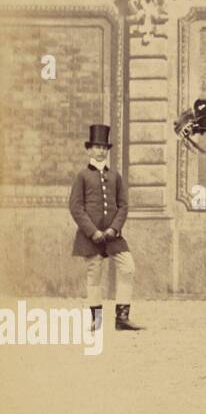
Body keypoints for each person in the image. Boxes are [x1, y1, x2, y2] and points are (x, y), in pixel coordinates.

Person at [69, 124, 143, 331]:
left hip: (113, 235)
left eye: (104, 147)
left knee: (128, 268)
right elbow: (75, 207)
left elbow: (123, 205)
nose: (101, 150)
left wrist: (114, 228)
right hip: (90, 236)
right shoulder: (82, 176)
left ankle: (122, 318)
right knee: (94, 274)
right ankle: (97, 320)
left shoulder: (115, 176)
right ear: (89, 149)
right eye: (97, 147)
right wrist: (92, 232)